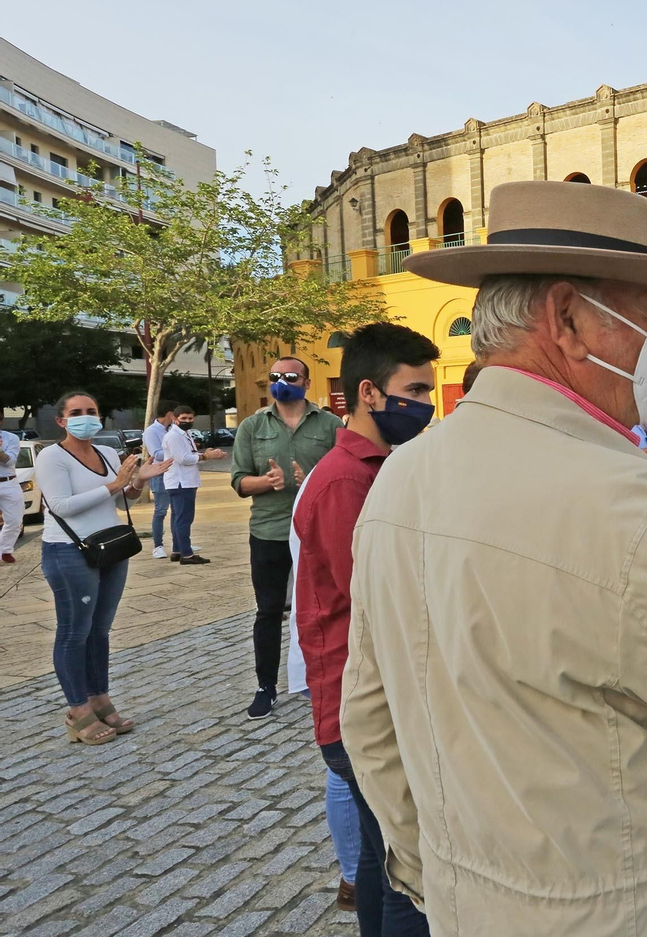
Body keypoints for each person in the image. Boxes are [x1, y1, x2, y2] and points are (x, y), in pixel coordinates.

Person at [343, 181, 647, 935]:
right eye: (646, 319)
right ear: (567, 318)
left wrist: (443, 877)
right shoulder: (628, 501)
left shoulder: (402, 476)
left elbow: (369, 722)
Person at [296, 322, 439, 935]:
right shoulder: (346, 481)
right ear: (368, 393)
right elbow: (377, 600)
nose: (426, 405)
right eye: (414, 390)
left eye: (430, 392)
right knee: (411, 871)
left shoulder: (383, 466)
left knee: (382, 863)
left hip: (381, 693)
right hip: (365, 702)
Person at [36, 392, 171, 744]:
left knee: (100, 630)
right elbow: (62, 506)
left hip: (109, 546)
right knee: (74, 631)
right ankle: (77, 709)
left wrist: (140, 479)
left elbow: (125, 497)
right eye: (76, 413)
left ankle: (100, 697)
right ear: (61, 420)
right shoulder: (52, 456)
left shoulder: (108, 453)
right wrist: (115, 484)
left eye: (92, 411)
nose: (86, 417)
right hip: (69, 551)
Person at [232, 356, 343, 719]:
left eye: (290, 376)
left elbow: (343, 473)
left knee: (323, 606)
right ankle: (266, 686)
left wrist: (312, 476)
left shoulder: (329, 425)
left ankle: (322, 679)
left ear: (306, 383)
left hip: (318, 530)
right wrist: (265, 483)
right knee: (268, 611)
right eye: (276, 377)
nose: (282, 382)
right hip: (269, 530)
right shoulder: (252, 426)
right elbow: (239, 480)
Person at [162, 406, 227, 565]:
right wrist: (205, 456)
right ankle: (187, 554)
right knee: (184, 518)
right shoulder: (174, 436)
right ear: (175, 419)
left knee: (178, 517)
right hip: (180, 482)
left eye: (190, 418)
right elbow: (183, 458)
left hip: (184, 481)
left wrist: (205, 454)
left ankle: (177, 550)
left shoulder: (185, 434)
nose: (187, 421)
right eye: (184, 418)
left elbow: (189, 454)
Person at [141, 401, 179, 559]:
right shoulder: (151, 431)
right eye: (175, 414)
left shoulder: (174, 429)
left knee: (178, 511)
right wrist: (177, 452)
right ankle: (158, 546)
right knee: (161, 511)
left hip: (176, 473)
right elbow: (156, 453)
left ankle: (179, 543)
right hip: (160, 474)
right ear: (170, 414)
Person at [0, 416, 21, 564]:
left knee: (15, 520)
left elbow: (10, 461)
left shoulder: (11, 438)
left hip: (9, 482)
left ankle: (5, 550)